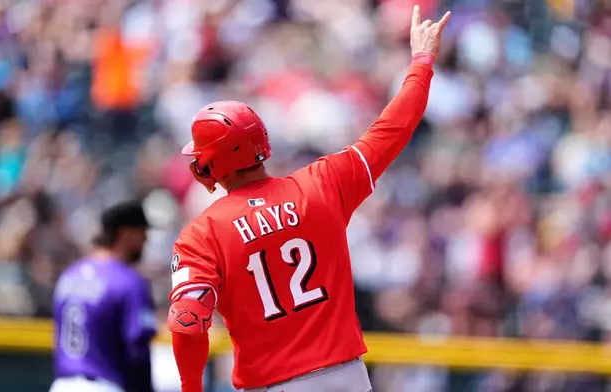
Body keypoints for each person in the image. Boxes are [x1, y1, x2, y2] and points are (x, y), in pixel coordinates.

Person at [167, 5, 451, 392]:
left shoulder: (202, 234)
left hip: (272, 383)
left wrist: (189, 387)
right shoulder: (321, 184)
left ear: (211, 163)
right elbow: (392, 129)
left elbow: (187, 320)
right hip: (347, 378)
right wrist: (421, 61)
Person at [50, 201, 157, 392]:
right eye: (142, 232)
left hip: (62, 385)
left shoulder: (69, 276)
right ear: (125, 233)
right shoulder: (129, 282)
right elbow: (137, 353)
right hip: (104, 385)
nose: (146, 240)